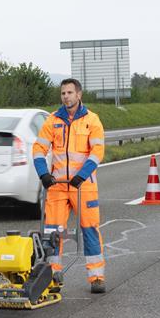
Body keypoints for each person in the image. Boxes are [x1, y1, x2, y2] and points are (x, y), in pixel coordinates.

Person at [32, 78, 107, 293]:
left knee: (90, 230)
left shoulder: (92, 120)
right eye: (63, 93)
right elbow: (38, 148)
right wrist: (43, 173)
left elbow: (97, 152)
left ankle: (96, 277)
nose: (66, 96)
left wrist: (81, 175)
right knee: (52, 232)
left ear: (79, 95)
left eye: (70, 93)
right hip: (56, 186)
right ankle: (53, 276)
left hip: (83, 185)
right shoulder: (53, 121)